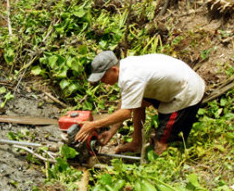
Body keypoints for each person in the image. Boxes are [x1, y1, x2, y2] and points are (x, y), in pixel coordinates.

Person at [75, 51, 205, 155]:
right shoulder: (125, 67)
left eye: (103, 77)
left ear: (114, 69)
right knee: (138, 103)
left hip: (186, 91)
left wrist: (93, 125)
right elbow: (128, 103)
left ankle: (158, 169)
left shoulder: (131, 78)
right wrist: (112, 131)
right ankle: (137, 143)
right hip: (177, 83)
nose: (102, 81)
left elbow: (125, 113)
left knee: (162, 141)